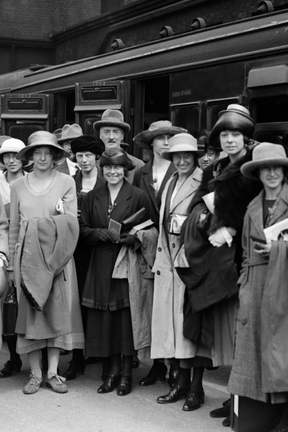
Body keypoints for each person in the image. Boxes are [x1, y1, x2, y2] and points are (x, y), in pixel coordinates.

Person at [176, 105, 262, 423]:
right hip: (216, 258)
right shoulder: (214, 168)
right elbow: (200, 200)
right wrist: (204, 217)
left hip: (243, 258)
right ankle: (232, 399)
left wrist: (230, 224)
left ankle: (240, 402)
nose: (229, 140)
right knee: (223, 333)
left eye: (235, 134)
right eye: (224, 134)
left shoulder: (254, 167)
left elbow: (258, 209)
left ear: (246, 138)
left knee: (241, 333)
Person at [228, 142, 288, 432]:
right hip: (255, 288)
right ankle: (263, 416)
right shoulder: (252, 207)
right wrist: (244, 289)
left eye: (276, 167)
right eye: (264, 168)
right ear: (258, 173)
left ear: (284, 170)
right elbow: (244, 254)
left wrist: (280, 249)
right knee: (259, 354)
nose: (271, 173)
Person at [9, 131, 84, 394]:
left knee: (54, 312)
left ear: (55, 156)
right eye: (37, 152)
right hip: (25, 259)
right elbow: (14, 228)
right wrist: (11, 266)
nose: (42, 157)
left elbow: (72, 222)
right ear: (29, 156)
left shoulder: (66, 182)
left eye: (47, 153)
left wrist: (50, 227)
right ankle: (34, 373)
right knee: (30, 313)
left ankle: (53, 373)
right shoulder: (17, 185)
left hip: (57, 258)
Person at [80, 148, 153, 396]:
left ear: (125, 170)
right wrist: (98, 233)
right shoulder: (92, 196)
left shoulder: (139, 195)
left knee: (125, 321)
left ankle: (126, 375)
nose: (113, 172)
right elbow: (81, 229)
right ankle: (110, 373)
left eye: (118, 168)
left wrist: (134, 240)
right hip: (100, 264)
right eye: (108, 167)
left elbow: (151, 230)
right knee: (106, 322)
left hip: (127, 264)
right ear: (102, 170)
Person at [150, 133, 211, 412]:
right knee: (175, 328)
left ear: (195, 157)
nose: (183, 160)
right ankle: (181, 383)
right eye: (178, 156)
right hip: (170, 263)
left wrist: (190, 227)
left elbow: (211, 220)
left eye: (188, 155)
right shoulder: (171, 181)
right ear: (171, 159)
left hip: (192, 263)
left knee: (192, 329)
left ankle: (196, 388)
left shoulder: (204, 181)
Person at [133, 120, 186, 386]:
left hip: (174, 247)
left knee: (174, 307)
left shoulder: (181, 170)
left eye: (169, 137)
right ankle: (156, 364)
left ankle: (175, 365)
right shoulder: (140, 173)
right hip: (147, 247)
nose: (165, 142)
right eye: (160, 138)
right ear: (150, 143)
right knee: (152, 306)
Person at [62, 135, 105, 381]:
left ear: (97, 157)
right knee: (76, 300)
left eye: (89, 155)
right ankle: (77, 357)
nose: (85, 160)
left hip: (99, 247)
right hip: (76, 247)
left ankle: (102, 352)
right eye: (80, 156)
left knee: (98, 298)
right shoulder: (69, 182)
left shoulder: (106, 180)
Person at [0, 138, 28, 378]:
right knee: (8, 304)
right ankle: (13, 358)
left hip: (27, 245)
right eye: (6, 156)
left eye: (15, 156)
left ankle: (39, 361)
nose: (11, 160)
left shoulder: (31, 181)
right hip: (4, 248)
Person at [93, 109, 144, 183]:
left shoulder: (138, 165)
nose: (111, 137)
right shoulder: (95, 165)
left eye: (116, 132)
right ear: (100, 135)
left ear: (122, 136)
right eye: (106, 132)